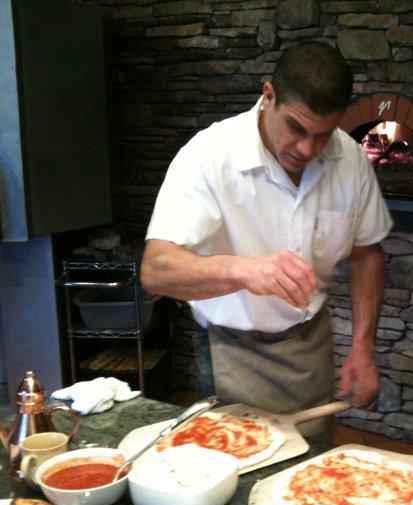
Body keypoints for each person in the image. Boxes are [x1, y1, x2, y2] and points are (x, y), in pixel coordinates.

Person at [140, 41, 393, 437]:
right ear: (268, 95)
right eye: (296, 127)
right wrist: (244, 271)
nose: (308, 148)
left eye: (323, 134)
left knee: (312, 478)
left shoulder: (351, 159)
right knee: (236, 476)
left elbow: (367, 255)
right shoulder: (209, 156)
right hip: (231, 351)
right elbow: (155, 269)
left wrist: (363, 344)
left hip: (310, 349)